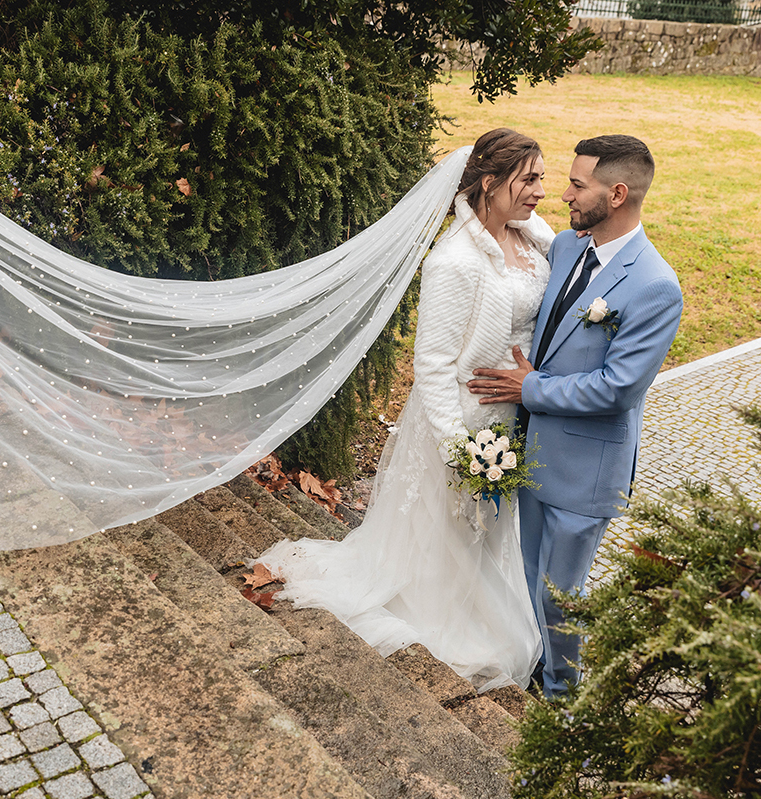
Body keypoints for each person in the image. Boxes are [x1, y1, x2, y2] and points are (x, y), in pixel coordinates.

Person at [255, 129, 551, 692]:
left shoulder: (532, 237)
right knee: (447, 528)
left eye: (541, 176)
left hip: (513, 415)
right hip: (463, 421)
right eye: (529, 178)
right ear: (490, 183)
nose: (542, 190)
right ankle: (439, 616)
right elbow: (433, 366)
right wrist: (458, 448)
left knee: (487, 532)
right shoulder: (454, 262)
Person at [467, 135, 683, 698]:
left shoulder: (656, 286)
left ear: (616, 194)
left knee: (562, 593)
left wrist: (530, 386)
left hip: (585, 469)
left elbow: (617, 389)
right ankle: (535, 668)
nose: (563, 194)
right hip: (534, 449)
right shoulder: (565, 246)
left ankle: (562, 697)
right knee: (527, 576)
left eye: (576, 184)